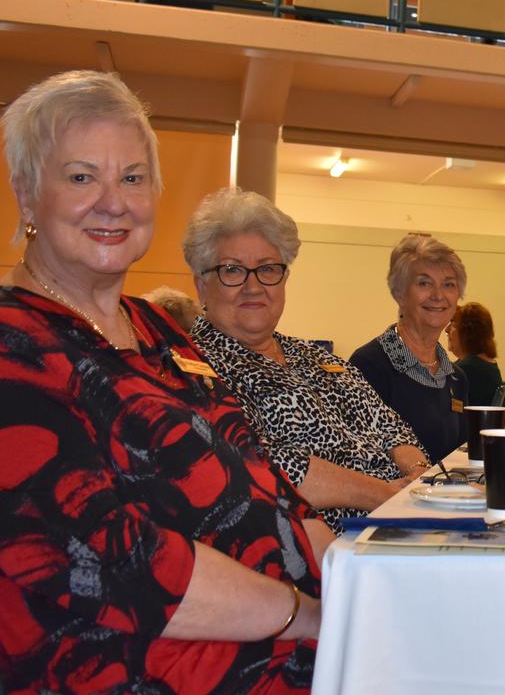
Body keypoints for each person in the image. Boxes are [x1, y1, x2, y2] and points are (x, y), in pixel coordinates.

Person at [0, 70, 322, 691]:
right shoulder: (16, 345)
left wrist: (356, 580)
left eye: (132, 177)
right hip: (145, 671)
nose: (113, 201)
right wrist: (308, 616)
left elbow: (260, 470)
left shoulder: (153, 326)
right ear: (25, 192)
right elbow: (118, 561)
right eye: (80, 176)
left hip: (282, 640)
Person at [185, 187, 429, 535]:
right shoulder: (194, 369)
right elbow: (258, 462)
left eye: (268, 269)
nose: (254, 286)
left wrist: (417, 471)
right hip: (324, 549)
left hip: (398, 519)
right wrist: (384, 494)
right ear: (201, 285)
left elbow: (386, 423)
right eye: (233, 270)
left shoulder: (314, 355)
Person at [351, 233, 469, 462]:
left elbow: (460, 455)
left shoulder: (457, 378)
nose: (438, 296)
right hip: (391, 497)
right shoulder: (368, 366)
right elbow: (361, 460)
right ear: (399, 294)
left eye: (449, 285)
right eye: (424, 283)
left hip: (446, 496)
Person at [448, 301, 504, 406]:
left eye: (453, 324)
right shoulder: (486, 365)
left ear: (469, 332)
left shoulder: (468, 369)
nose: (446, 330)